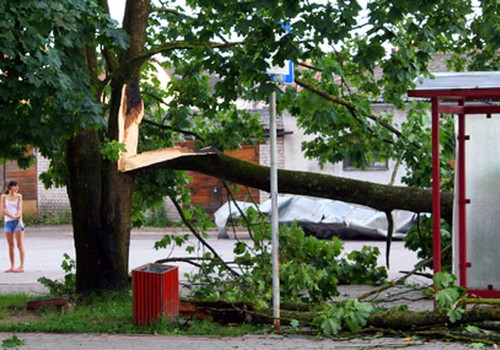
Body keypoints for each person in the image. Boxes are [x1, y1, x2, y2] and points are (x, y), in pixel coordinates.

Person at [1, 180, 25, 273]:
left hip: (17, 222)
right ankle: (12, 266)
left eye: (18, 186)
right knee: (10, 245)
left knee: (19, 244)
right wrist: (12, 216)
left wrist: (18, 218)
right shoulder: (4, 196)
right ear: (10, 187)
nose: (17, 188)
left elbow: (20, 208)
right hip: (8, 222)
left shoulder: (19, 196)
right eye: (15, 186)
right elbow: (3, 210)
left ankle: (21, 266)